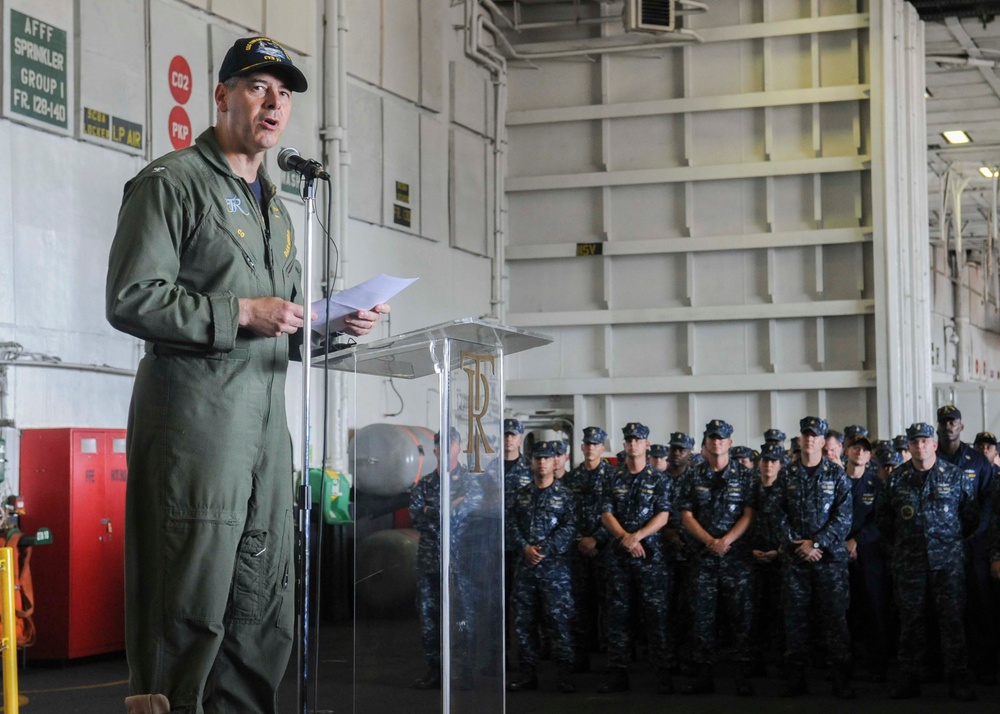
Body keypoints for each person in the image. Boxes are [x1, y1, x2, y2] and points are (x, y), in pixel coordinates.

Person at [105, 37, 387, 714]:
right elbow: (132, 298)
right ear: (223, 94)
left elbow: (278, 325)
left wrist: (328, 325)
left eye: (285, 94)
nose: (273, 104)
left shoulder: (279, 212)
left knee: (262, 610)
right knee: (187, 603)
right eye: (259, 86)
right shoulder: (171, 183)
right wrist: (242, 311)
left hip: (266, 436)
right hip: (197, 429)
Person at [874, 422, 978, 701]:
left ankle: (958, 679)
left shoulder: (954, 476)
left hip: (948, 563)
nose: (920, 446)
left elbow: (969, 516)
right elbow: (883, 519)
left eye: (924, 441)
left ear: (934, 445)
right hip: (910, 563)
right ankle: (909, 679)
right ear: (908, 447)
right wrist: (901, 547)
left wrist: (949, 542)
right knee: (910, 624)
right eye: (914, 442)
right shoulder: (896, 479)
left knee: (952, 622)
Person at [769, 417, 855, 699]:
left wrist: (816, 542)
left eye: (814, 436)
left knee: (834, 620)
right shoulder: (787, 475)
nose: (809, 440)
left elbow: (843, 518)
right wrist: (799, 545)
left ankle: (841, 679)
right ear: (800, 439)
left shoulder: (837, 475)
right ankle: (796, 679)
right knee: (795, 620)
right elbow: (777, 514)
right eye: (805, 435)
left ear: (822, 441)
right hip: (796, 562)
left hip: (829, 561)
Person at [676, 420, 756, 696]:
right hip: (703, 557)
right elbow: (685, 515)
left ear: (730, 443)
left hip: (737, 558)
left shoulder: (745, 476)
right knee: (701, 619)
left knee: (741, 619)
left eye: (722, 438)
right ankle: (703, 676)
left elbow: (748, 513)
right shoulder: (693, 475)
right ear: (706, 442)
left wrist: (726, 541)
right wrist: (710, 541)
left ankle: (743, 676)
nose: (717, 442)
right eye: (712, 438)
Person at [598, 422, 673, 694]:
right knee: (617, 617)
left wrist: (637, 536)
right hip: (619, 557)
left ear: (646, 445)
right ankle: (617, 673)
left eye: (637, 440)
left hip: (650, 559)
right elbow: (606, 513)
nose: (632, 444)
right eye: (629, 440)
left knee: (656, 616)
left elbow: (663, 515)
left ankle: (662, 674)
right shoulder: (612, 477)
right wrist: (625, 538)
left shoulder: (659, 479)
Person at [409, 428, 483, 690]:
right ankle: (435, 669)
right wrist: (447, 507)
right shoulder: (425, 484)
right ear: (436, 450)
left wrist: (434, 510)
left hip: (461, 562)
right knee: (429, 616)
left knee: (463, 616)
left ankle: (465, 670)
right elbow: (417, 516)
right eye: (441, 445)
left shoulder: (470, 482)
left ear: (459, 448)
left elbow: (465, 513)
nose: (446, 449)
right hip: (430, 561)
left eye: (451, 444)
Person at [507, 442, 578, 693]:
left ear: (554, 462)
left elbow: (569, 529)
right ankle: (528, 674)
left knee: (559, 622)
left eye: (547, 459)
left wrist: (544, 549)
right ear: (531, 462)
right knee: (525, 624)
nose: (542, 463)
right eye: (538, 459)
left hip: (554, 571)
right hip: (525, 569)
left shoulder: (565, 495)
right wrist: (525, 548)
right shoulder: (521, 495)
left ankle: (564, 674)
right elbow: (511, 526)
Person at [936, 405, 997, 685]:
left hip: (974, 546)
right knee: (943, 606)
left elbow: (989, 500)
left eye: (954, 422)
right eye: (945, 422)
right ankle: (943, 664)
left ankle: (982, 664)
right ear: (939, 426)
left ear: (961, 426)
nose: (949, 426)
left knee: (978, 603)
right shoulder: (930, 457)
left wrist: (975, 533)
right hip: (940, 546)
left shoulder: (976, 460)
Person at [561, 426, 613, 672]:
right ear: (581, 447)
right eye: (587, 443)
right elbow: (565, 516)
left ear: (603, 448)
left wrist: (598, 539)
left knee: (610, 603)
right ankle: (581, 654)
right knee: (580, 604)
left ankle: (611, 658)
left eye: (596, 443)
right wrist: (582, 540)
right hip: (578, 549)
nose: (591, 447)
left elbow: (618, 515)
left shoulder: (613, 477)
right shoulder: (571, 478)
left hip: (606, 550)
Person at [843, 436, 889, 682]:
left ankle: (876, 663)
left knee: (873, 608)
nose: (860, 452)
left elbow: (881, 519)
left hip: (869, 555)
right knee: (843, 611)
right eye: (856, 448)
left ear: (870, 457)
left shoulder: (876, 484)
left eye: (865, 450)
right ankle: (845, 663)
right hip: (838, 555)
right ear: (847, 451)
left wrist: (857, 540)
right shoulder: (836, 481)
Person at [748, 443, 785, 677]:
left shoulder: (788, 489)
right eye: (765, 461)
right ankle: (756, 660)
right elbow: (740, 521)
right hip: (751, 558)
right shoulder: (750, 489)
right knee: (754, 612)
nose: (768, 465)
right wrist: (750, 550)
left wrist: (781, 551)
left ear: (781, 465)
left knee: (782, 612)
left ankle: (783, 661)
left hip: (783, 558)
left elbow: (795, 522)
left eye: (773, 461)